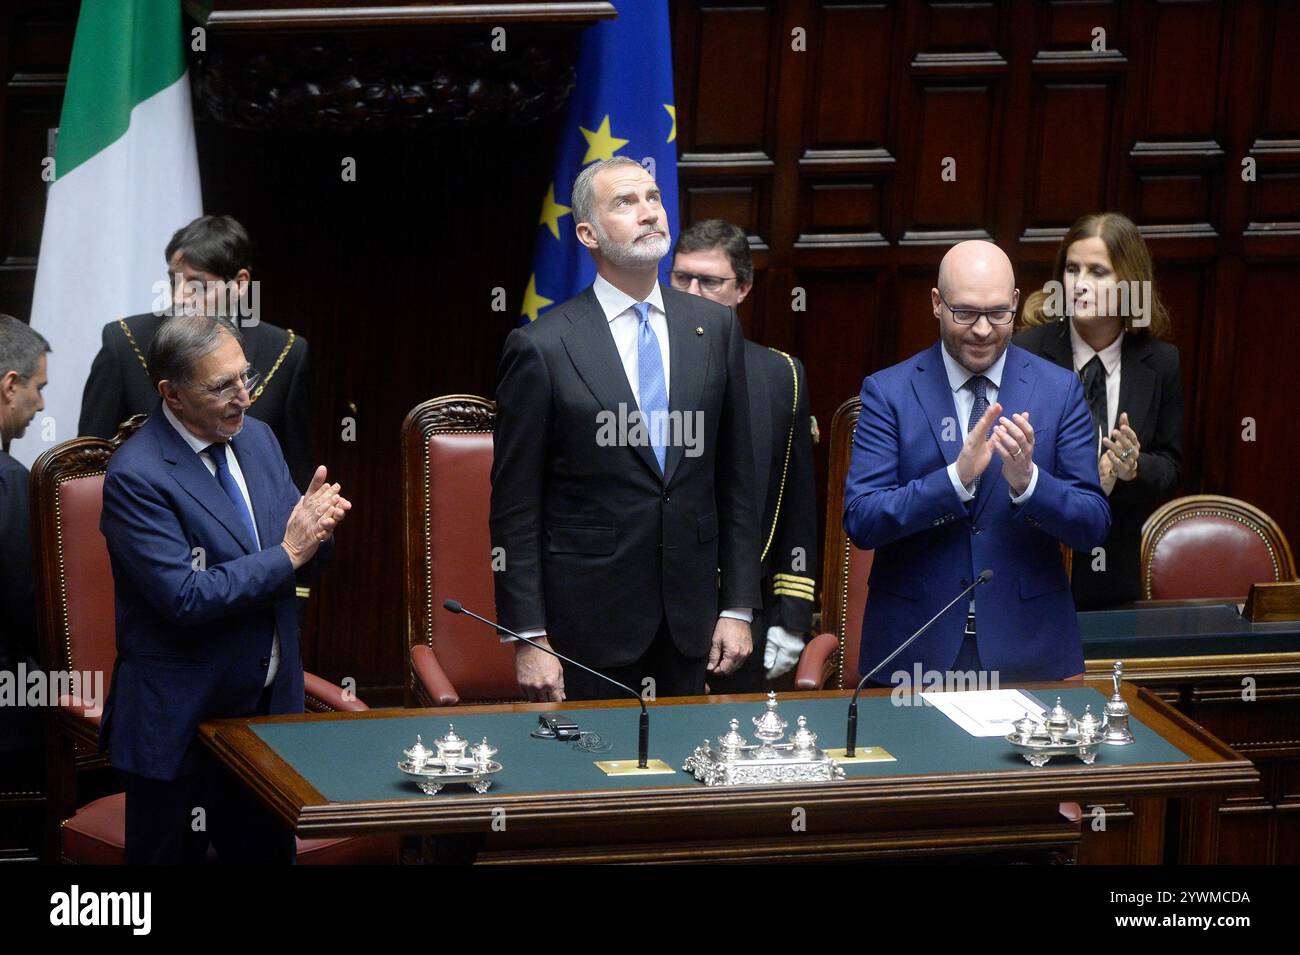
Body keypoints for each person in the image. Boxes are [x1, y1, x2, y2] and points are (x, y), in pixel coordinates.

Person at [490, 157, 761, 702]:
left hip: (691, 624)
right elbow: (516, 506)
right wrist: (529, 634)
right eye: (626, 202)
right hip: (586, 626)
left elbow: (736, 479)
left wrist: (736, 606)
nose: (649, 213)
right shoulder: (543, 346)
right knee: (592, 779)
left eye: (654, 199)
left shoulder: (714, 326)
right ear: (587, 233)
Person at [99, 315, 349, 863]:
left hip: (266, 718)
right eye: (222, 387)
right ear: (172, 393)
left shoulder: (256, 438)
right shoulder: (137, 475)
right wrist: (290, 551)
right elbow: (185, 596)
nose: (245, 397)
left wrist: (317, 528)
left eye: (245, 376)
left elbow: (295, 556)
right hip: (181, 725)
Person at [843, 240, 1110, 683]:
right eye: (965, 313)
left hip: (1028, 648)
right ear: (936, 303)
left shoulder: (1058, 390)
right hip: (914, 649)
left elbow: (1093, 525)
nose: (982, 330)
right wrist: (954, 480)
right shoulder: (888, 392)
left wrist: (1029, 483)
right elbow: (862, 519)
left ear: (1016, 303)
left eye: (997, 313)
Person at [670, 219, 818, 689]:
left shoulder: (780, 376)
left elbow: (796, 505)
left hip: (744, 612)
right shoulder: (639, 369)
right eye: (681, 278)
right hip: (653, 609)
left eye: (710, 281)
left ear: (743, 289)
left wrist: (792, 616)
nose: (693, 292)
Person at [1014, 212, 1183, 608]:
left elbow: (1171, 468)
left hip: (1114, 572)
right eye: (1072, 270)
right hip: (1035, 563)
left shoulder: (1160, 363)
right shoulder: (1027, 352)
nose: (1081, 284)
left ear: (1129, 284)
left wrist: (1133, 468)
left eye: (1098, 272)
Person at [79, 214, 314, 490]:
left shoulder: (286, 352)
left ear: (239, 283)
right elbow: (86, 463)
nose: (179, 297)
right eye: (173, 280)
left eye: (196, 285)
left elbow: (296, 467)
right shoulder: (125, 342)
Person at [0, 314, 49, 785]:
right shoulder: (12, 485)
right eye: (38, 386)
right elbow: (26, 607)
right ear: (10, 385)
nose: (41, 403)